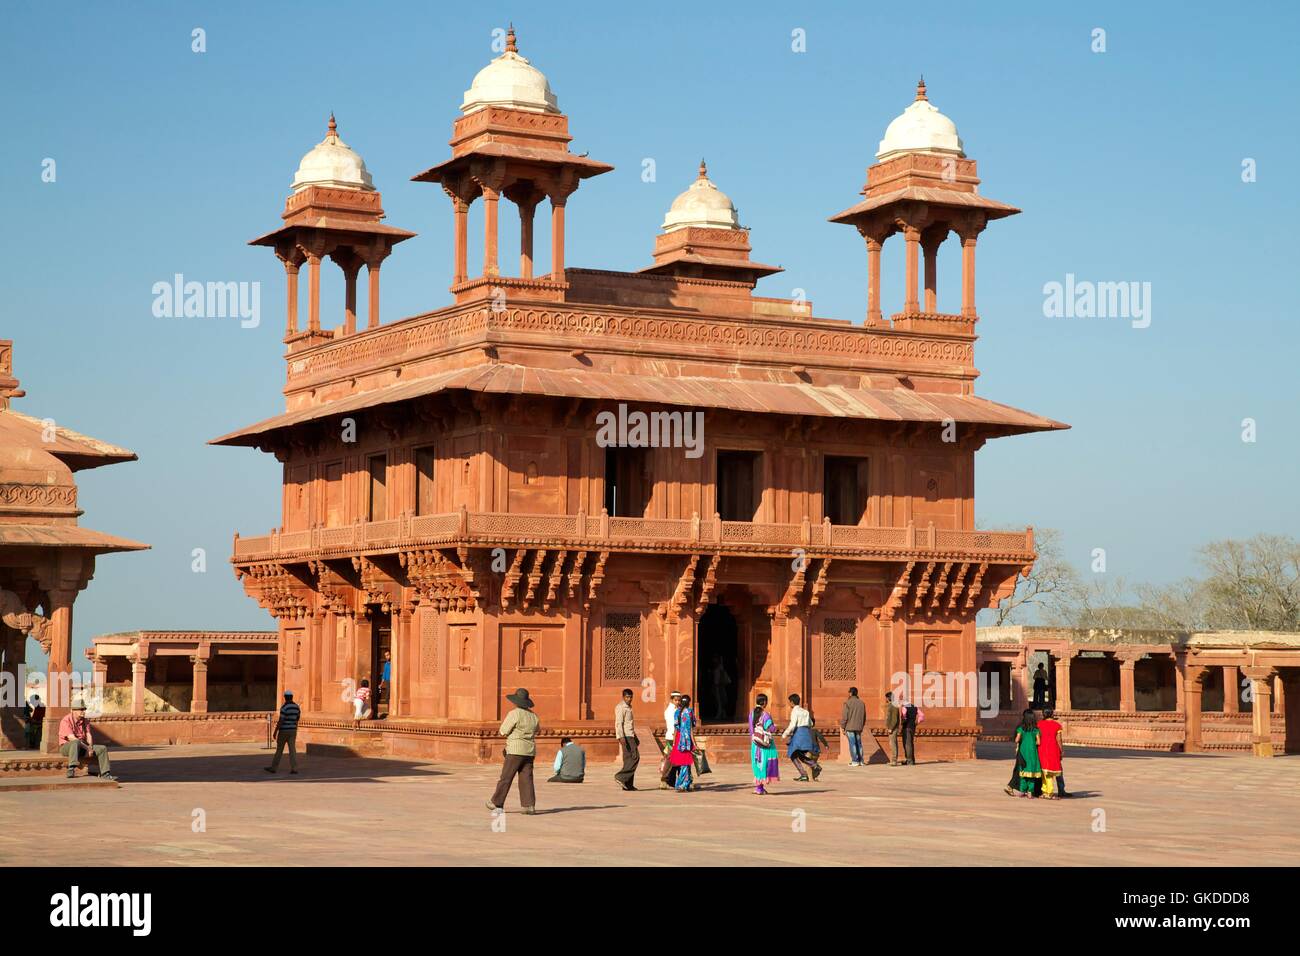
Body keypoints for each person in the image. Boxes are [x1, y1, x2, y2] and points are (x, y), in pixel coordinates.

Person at [488, 688, 539, 814]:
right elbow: (537, 730)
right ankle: (529, 805)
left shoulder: (514, 713)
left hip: (515, 750)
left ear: (516, 701)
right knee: (526, 778)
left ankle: (496, 802)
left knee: (506, 777)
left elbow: (503, 730)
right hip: (529, 750)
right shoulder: (533, 716)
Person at [58, 701, 114, 781]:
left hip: (82, 747)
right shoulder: (66, 720)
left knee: (102, 748)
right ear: (73, 711)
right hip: (68, 747)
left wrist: (90, 747)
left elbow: (88, 735)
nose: (83, 711)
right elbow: (72, 738)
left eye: (84, 709)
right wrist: (87, 748)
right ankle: (71, 768)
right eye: (81, 709)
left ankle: (105, 773)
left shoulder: (85, 721)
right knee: (75, 742)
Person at [782, 693, 822, 781]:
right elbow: (810, 724)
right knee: (799, 754)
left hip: (798, 734)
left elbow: (792, 725)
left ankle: (804, 774)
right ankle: (814, 766)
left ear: (792, 702)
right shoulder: (805, 711)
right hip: (806, 733)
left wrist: (785, 734)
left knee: (792, 754)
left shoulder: (795, 711)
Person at [748, 694, 780, 795]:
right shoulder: (765, 715)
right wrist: (775, 727)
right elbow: (770, 728)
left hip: (755, 743)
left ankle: (759, 787)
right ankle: (760, 788)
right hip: (765, 744)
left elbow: (751, 729)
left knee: (757, 764)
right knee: (765, 764)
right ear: (765, 702)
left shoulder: (751, 714)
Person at [265, 690, 301, 774]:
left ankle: (274, 767)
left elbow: (281, 720)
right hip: (293, 730)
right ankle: (294, 768)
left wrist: (275, 731)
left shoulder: (284, 707)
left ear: (285, 697)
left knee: (279, 750)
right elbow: (297, 718)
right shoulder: (296, 707)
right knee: (292, 750)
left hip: (284, 731)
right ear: (292, 697)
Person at [1010, 708, 1041, 798]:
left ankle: (1022, 790)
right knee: (1032, 772)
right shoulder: (1036, 730)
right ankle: (1030, 791)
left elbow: (1016, 740)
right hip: (1033, 754)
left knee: (1023, 771)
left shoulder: (1021, 729)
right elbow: (1038, 742)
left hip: (1023, 753)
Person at [669, 694, 697, 792]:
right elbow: (691, 729)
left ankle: (687, 783)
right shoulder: (690, 712)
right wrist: (694, 742)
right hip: (687, 740)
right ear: (689, 702)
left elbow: (676, 728)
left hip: (679, 740)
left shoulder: (677, 712)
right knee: (686, 763)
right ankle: (681, 784)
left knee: (684, 763)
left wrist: (673, 742)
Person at [613, 687, 638, 791]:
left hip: (630, 735)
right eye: (627, 697)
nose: (629, 699)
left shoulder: (629, 707)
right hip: (626, 736)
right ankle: (620, 776)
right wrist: (621, 736)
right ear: (623, 697)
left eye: (631, 697)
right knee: (635, 757)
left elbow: (629, 724)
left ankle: (628, 784)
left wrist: (635, 736)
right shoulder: (621, 707)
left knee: (628, 759)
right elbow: (619, 723)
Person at [1038, 708, 1065, 798]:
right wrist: (1061, 750)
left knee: (1044, 770)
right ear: (1052, 714)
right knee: (1050, 771)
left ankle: (1045, 791)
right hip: (1053, 748)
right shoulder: (1057, 725)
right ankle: (1049, 792)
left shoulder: (1039, 724)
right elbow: (1059, 739)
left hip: (1042, 748)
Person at [659, 690, 682, 789]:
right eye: (676, 700)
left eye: (679, 700)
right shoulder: (670, 711)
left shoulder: (677, 709)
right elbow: (673, 726)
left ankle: (672, 781)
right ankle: (664, 781)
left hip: (675, 737)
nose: (678, 702)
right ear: (672, 700)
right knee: (669, 760)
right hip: (672, 737)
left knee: (676, 760)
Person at [840, 686, 867, 766]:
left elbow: (845, 716)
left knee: (853, 743)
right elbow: (864, 716)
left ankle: (855, 761)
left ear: (850, 693)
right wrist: (862, 725)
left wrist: (843, 726)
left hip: (850, 726)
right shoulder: (862, 703)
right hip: (859, 726)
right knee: (859, 743)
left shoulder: (847, 703)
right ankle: (861, 760)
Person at [709, 653, 732, 720]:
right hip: (717, 685)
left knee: (720, 701)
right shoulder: (716, 667)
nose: (714, 660)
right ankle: (723, 715)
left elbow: (720, 676)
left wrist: (719, 684)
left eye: (715, 658)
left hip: (719, 686)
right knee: (719, 701)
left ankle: (719, 715)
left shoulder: (720, 667)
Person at [899, 696, 918, 765]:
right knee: (911, 744)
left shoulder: (904, 707)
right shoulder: (915, 707)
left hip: (906, 727)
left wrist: (902, 724)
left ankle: (909, 761)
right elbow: (922, 716)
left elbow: (904, 716)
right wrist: (916, 722)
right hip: (913, 727)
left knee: (907, 744)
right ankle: (912, 760)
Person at [884, 691, 901, 766]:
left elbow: (894, 719)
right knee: (892, 743)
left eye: (887, 698)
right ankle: (893, 760)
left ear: (888, 698)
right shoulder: (892, 705)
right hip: (892, 727)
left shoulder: (894, 706)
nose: (886, 699)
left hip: (893, 728)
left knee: (893, 744)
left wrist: (891, 728)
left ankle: (894, 760)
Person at [378, 651, 392, 717]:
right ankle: (389, 711)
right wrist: (381, 684)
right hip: (387, 682)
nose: (387, 657)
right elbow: (384, 675)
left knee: (390, 696)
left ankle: (391, 712)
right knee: (387, 697)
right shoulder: (386, 664)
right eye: (386, 655)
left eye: (388, 655)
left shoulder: (393, 664)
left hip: (392, 681)